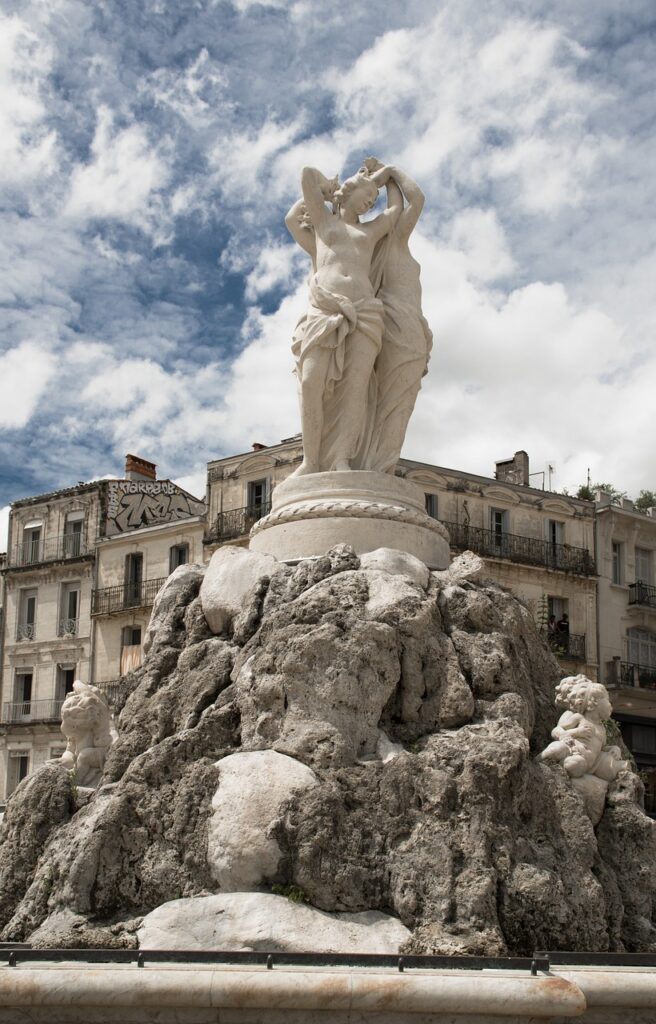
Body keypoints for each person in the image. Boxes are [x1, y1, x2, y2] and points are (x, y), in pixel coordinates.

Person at [285, 164, 402, 476]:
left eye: (373, 200)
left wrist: (388, 175)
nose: (370, 203)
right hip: (324, 309)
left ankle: (340, 459)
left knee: (355, 388)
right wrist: (335, 186)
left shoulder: (369, 231)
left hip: (365, 311)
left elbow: (395, 210)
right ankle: (311, 461)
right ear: (350, 191)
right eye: (367, 196)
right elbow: (307, 175)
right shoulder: (324, 224)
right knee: (311, 382)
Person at [362, 159, 433, 474]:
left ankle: (380, 466)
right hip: (397, 327)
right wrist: (389, 174)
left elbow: (406, 201)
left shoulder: (389, 244)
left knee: (397, 404)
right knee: (391, 404)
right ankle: (378, 467)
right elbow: (414, 200)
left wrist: (388, 176)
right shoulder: (386, 245)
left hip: (411, 329)